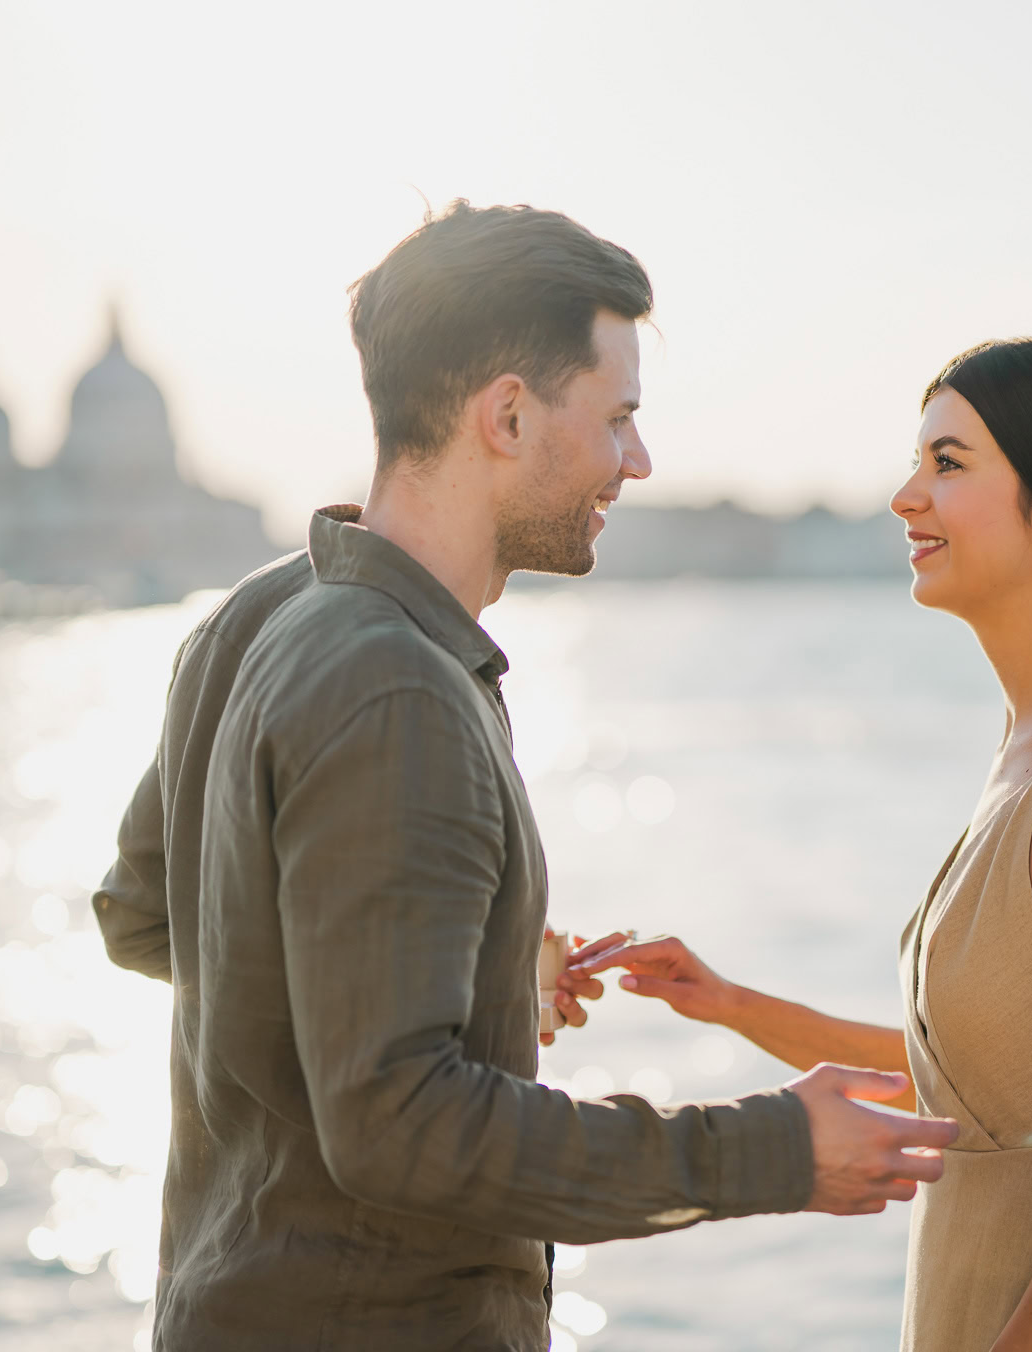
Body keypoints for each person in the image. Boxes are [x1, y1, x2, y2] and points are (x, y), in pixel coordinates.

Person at [89, 201, 957, 1351]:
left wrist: (464, 966)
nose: (636, 460)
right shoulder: (399, 687)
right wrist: (774, 1147)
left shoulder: (252, 617)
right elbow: (403, 1127)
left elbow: (147, 913)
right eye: (617, 418)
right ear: (505, 413)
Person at [574, 339, 1032, 1350]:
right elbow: (988, 1090)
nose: (906, 495)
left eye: (948, 463)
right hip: (987, 1291)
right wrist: (726, 1002)